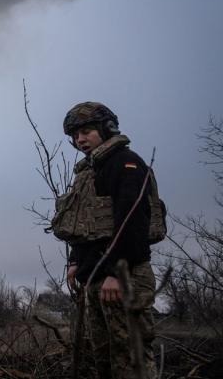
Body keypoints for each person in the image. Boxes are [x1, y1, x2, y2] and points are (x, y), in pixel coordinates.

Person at [53, 102, 165, 378]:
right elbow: (84, 222)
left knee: (131, 358)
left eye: (87, 131)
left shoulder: (126, 163)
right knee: (104, 359)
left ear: (107, 128)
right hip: (95, 276)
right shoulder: (90, 171)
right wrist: (75, 261)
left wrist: (118, 272)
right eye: (75, 135)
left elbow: (132, 221)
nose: (80, 139)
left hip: (124, 276)